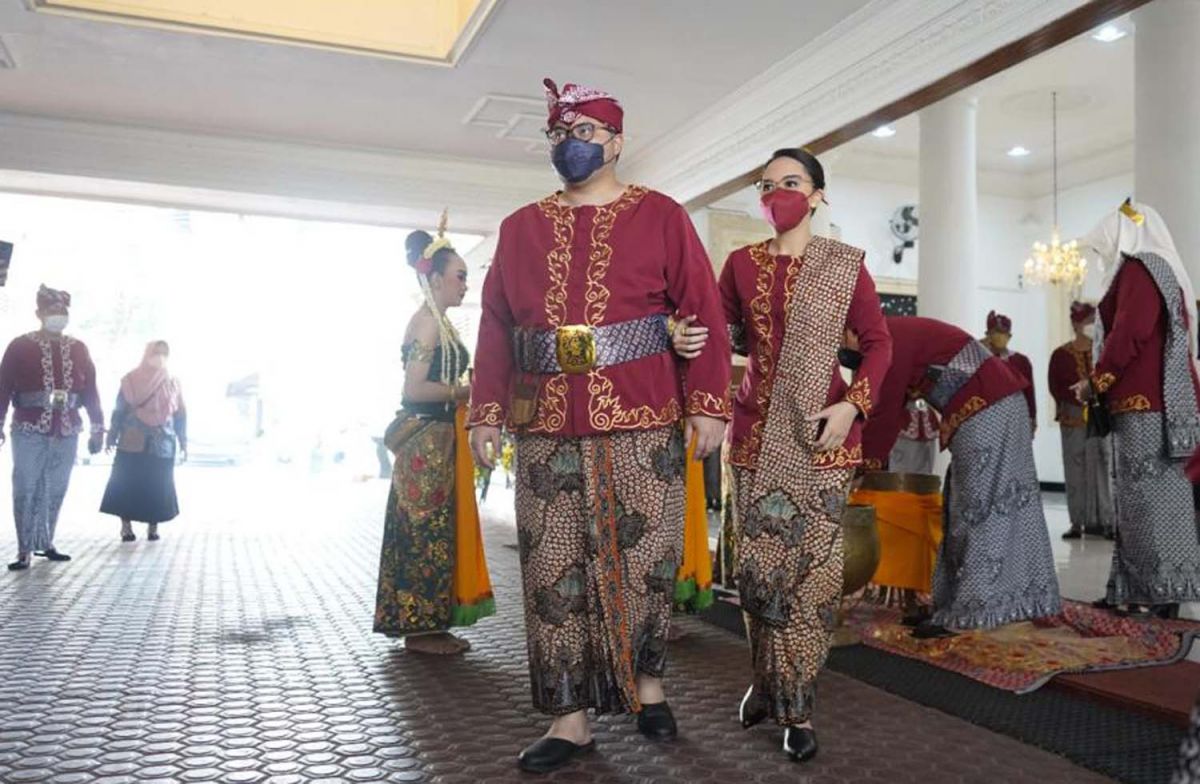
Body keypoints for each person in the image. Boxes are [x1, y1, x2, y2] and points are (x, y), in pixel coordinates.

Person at [467, 78, 731, 774]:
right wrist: (484, 412)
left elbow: (702, 308)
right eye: (559, 135)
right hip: (545, 421)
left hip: (641, 415)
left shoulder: (663, 216)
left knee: (644, 561)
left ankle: (648, 689)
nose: (570, 146)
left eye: (584, 133)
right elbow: (495, 326)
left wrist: (707, 402)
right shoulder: (520, 227)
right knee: (553, 569)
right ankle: (569, 718)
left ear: (617, 140)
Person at [675, 148, 892, 762]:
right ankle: (768, 682)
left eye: (791, 183)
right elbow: (718, 335)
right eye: (768, 186)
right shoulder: (740, 264)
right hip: (754, 437)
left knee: (815, 579)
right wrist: (685, 335)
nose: (778, 194)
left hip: (824, 438)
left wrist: (853, 405)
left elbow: (879, 345)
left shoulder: (846, 267)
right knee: (758, 573)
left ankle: (798, 707)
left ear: (818, 194)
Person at [849, 316, 1060, 635]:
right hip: (993, 406)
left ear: (852, 329)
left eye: (839, 339)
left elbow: (884, 411)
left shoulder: (887, 340)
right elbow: (894, 407)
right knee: (965, 507)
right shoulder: (892, 335)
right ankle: (958, 605)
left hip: (990, 408)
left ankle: (973, 611)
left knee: (980, 511)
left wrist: (859, 464)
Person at [374, 221, 495, 655]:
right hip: (427, 443)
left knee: (437, 532)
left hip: (439, 440)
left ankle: (430, 625)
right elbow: (413, 390)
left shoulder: (438, 322)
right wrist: (467, 391)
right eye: (460, 276)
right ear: (437, 278)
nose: (465, 284)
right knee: (425, 533)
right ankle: (421, 631)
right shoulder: (427, 324)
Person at [1075, 200, 1200, 618]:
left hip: (1146, 406)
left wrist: (1097, 380)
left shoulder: (1141, 269)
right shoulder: (1150, 269)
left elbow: (1131, 330)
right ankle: (1133, 588)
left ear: (1123, 235)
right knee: (1137, 501)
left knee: (1151, 501)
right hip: (1146, 405)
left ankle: (1161, 591)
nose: (1103, 254)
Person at [0, 285, 104, 570]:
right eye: (51, 311)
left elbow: (91, 390)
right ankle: (24, 549)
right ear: (39, 313)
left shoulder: (79, 348)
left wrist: (98, 427)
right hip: (29, 427)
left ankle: (46, 542)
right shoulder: (20, 346)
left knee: (56, 486)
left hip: (68, 428)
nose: (57, 316)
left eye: (62, 311)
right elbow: (3, 387)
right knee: (26, 485)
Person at [100, 341, 187, 542]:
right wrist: (112, 434)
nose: (160, 357)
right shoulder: (130, 380)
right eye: (156, 353)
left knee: (157, 485)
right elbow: (119, 409)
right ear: (146, 354)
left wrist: (183, 440)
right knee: (127, 483)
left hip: (162, 441)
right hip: (132, 440)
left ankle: (153, 527)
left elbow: (180, 412)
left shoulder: (172, 382)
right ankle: (126, 527)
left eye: (164, 353)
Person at [1048, 302, 1114, 540]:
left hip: (1101, 419)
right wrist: (1077, 399)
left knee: (1103, 468)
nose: (1090, 326)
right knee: (1075, 469)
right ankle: (1077, 522)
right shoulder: (1060, 355)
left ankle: (1107, 521)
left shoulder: (1104, 353)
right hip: (1073, 418)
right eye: (1087, 321)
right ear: (1076, 324)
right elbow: (1055, 386)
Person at [983, 311, 1037, 433]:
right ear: (987, 334)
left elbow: (1029, 392)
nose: (999, 336)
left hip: (1015, 418)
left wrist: (1032, 417)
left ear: (1009, 336)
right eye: (996, 332)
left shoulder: (1021, 361)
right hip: (988, 419)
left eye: (1003, 333)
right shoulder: (981, 360)